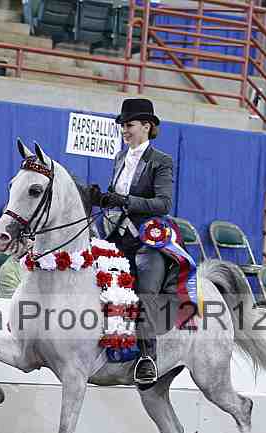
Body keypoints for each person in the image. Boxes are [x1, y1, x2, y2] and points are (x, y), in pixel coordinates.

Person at [89, 97, 175, 387]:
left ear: (147, 126)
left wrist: (125, 200)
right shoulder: (119, 158)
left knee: (144, 292)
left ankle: (147, 357)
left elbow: (163, 203)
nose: (124, 130)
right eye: (123, 125)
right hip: (118, 235)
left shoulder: (160, 161)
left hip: (147, 238)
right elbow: (116, 197)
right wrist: (102, 198)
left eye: (129, 125)